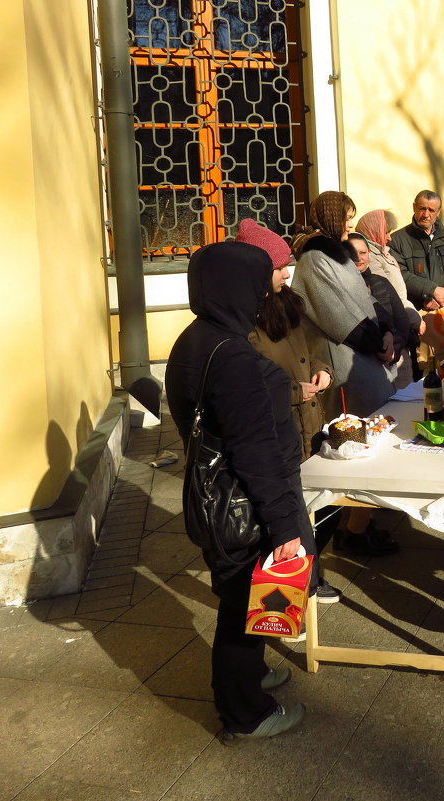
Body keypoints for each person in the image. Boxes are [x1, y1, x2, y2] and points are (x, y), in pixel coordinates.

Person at [165, 241, 308, 741]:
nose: (262, 295)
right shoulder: (232, 356)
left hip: (216, 497)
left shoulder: (196, 338)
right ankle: (246, 711)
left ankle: (249, 676)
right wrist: (285, 524)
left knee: (237, 597)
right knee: (242, 606)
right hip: (242, 504)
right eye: (257, 284)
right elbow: (255, 452)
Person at [235, 220, 340, 604]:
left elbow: (311, 349)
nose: (287, 272)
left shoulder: (288, 303)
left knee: (317, 505)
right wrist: (295, 390)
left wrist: (323, 370)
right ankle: (294, 592)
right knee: (289, 512)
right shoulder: (245, 321)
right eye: (280, 267)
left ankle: (305, 577)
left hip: (310, 420)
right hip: (281, 424)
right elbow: (253, 381)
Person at [292, 192, 400, 557]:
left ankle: (358, 525)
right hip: (341, 366)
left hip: (366, 356)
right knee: (349, 448)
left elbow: (367, 300)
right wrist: (377, 340)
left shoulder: (340, 255)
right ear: (331, 216)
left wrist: (386, 331)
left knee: (370, 443)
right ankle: (331, 537)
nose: (352, 224)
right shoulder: (313, 260)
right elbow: (338, 318)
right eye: (347, 217)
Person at [355, 209, 425, 387]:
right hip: (392, 337)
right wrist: (414, 318)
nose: (389, 238)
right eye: (386, 232)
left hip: (401, 332)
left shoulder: (382, 253)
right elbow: (387, 299)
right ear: (374, 230)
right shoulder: (369, 257)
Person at [389, 190, 444, 311]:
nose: (426, 214)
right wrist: (431, 290)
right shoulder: (397, 240)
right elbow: (398, 274)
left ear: (438, 211)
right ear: (414, 207)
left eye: (431, 210)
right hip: (415, 312)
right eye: (422, 208)